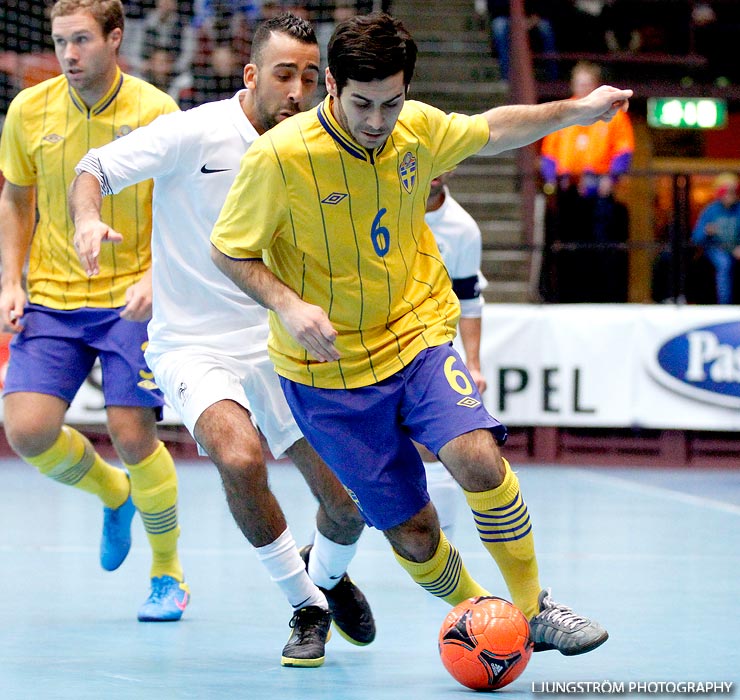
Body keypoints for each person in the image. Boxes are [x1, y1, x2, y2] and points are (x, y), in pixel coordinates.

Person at [211, 12, 626, 656]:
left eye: (391, 102)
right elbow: (230, 252)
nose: (377, 121)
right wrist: (289, 305)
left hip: (415, 334)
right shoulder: (279, 158)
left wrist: (577, 110)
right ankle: (485, 621)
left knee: (477, 459)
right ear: (330, 87)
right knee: (413, 532)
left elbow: (493, 128)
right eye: (362, 104)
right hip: (327, 373)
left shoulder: (416, 128)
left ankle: (530, 607)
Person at [68, 13, 375, 668]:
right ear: (252, 75)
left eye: (309, 77)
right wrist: (88, 220)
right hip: (193, 345)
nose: (296, 90)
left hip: (284, 343)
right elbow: (94, 166)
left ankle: (326, 574)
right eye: (284, 75)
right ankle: (305, 606)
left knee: (349, 506)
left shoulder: (327, 145)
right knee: (239, 459)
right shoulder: (195, 131)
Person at [0, 0, 188, 621]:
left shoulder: (157, 113)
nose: (68, 55)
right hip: (53, 296)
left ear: (115, 37)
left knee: (135, 435)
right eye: (59, 42)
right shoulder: (30, 109)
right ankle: (113, 494)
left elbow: (187, 208)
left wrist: (158, 276)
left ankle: (167, 574)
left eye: (81, 40)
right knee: (26, 429)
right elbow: (16, 199)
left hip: (129, 298)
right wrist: (11, 280)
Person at [420, 171, 489, 540]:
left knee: (438, 446)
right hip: (369, 345)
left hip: (429, 349)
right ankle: (326, 564)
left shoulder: (462, 229)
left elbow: (469, 300)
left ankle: (442, 547)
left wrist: (473, 365)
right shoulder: (379, 203)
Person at [539, 60, 634, 303]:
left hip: (599, 188)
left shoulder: (612, 113)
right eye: (578, 82)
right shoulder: (562, 110)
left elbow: (624, 151)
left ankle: (601, 297)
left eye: (587, 83)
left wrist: (611, 178)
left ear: (595, 85)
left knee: (600, 244)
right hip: (567, 188)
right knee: (565, 244)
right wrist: (551, 180)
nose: (582, 87)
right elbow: (549, 153)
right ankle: (564, 296)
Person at [690, 173, 740, 305]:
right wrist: (706, 231)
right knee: (724, 263)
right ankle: (724, 305)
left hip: (735, 248)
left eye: (734, 191)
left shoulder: (738, 209)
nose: (730, 194)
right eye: (725, 191)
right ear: (719, 192)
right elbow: (696, 238)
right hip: (715, 249)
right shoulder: (711, 211)